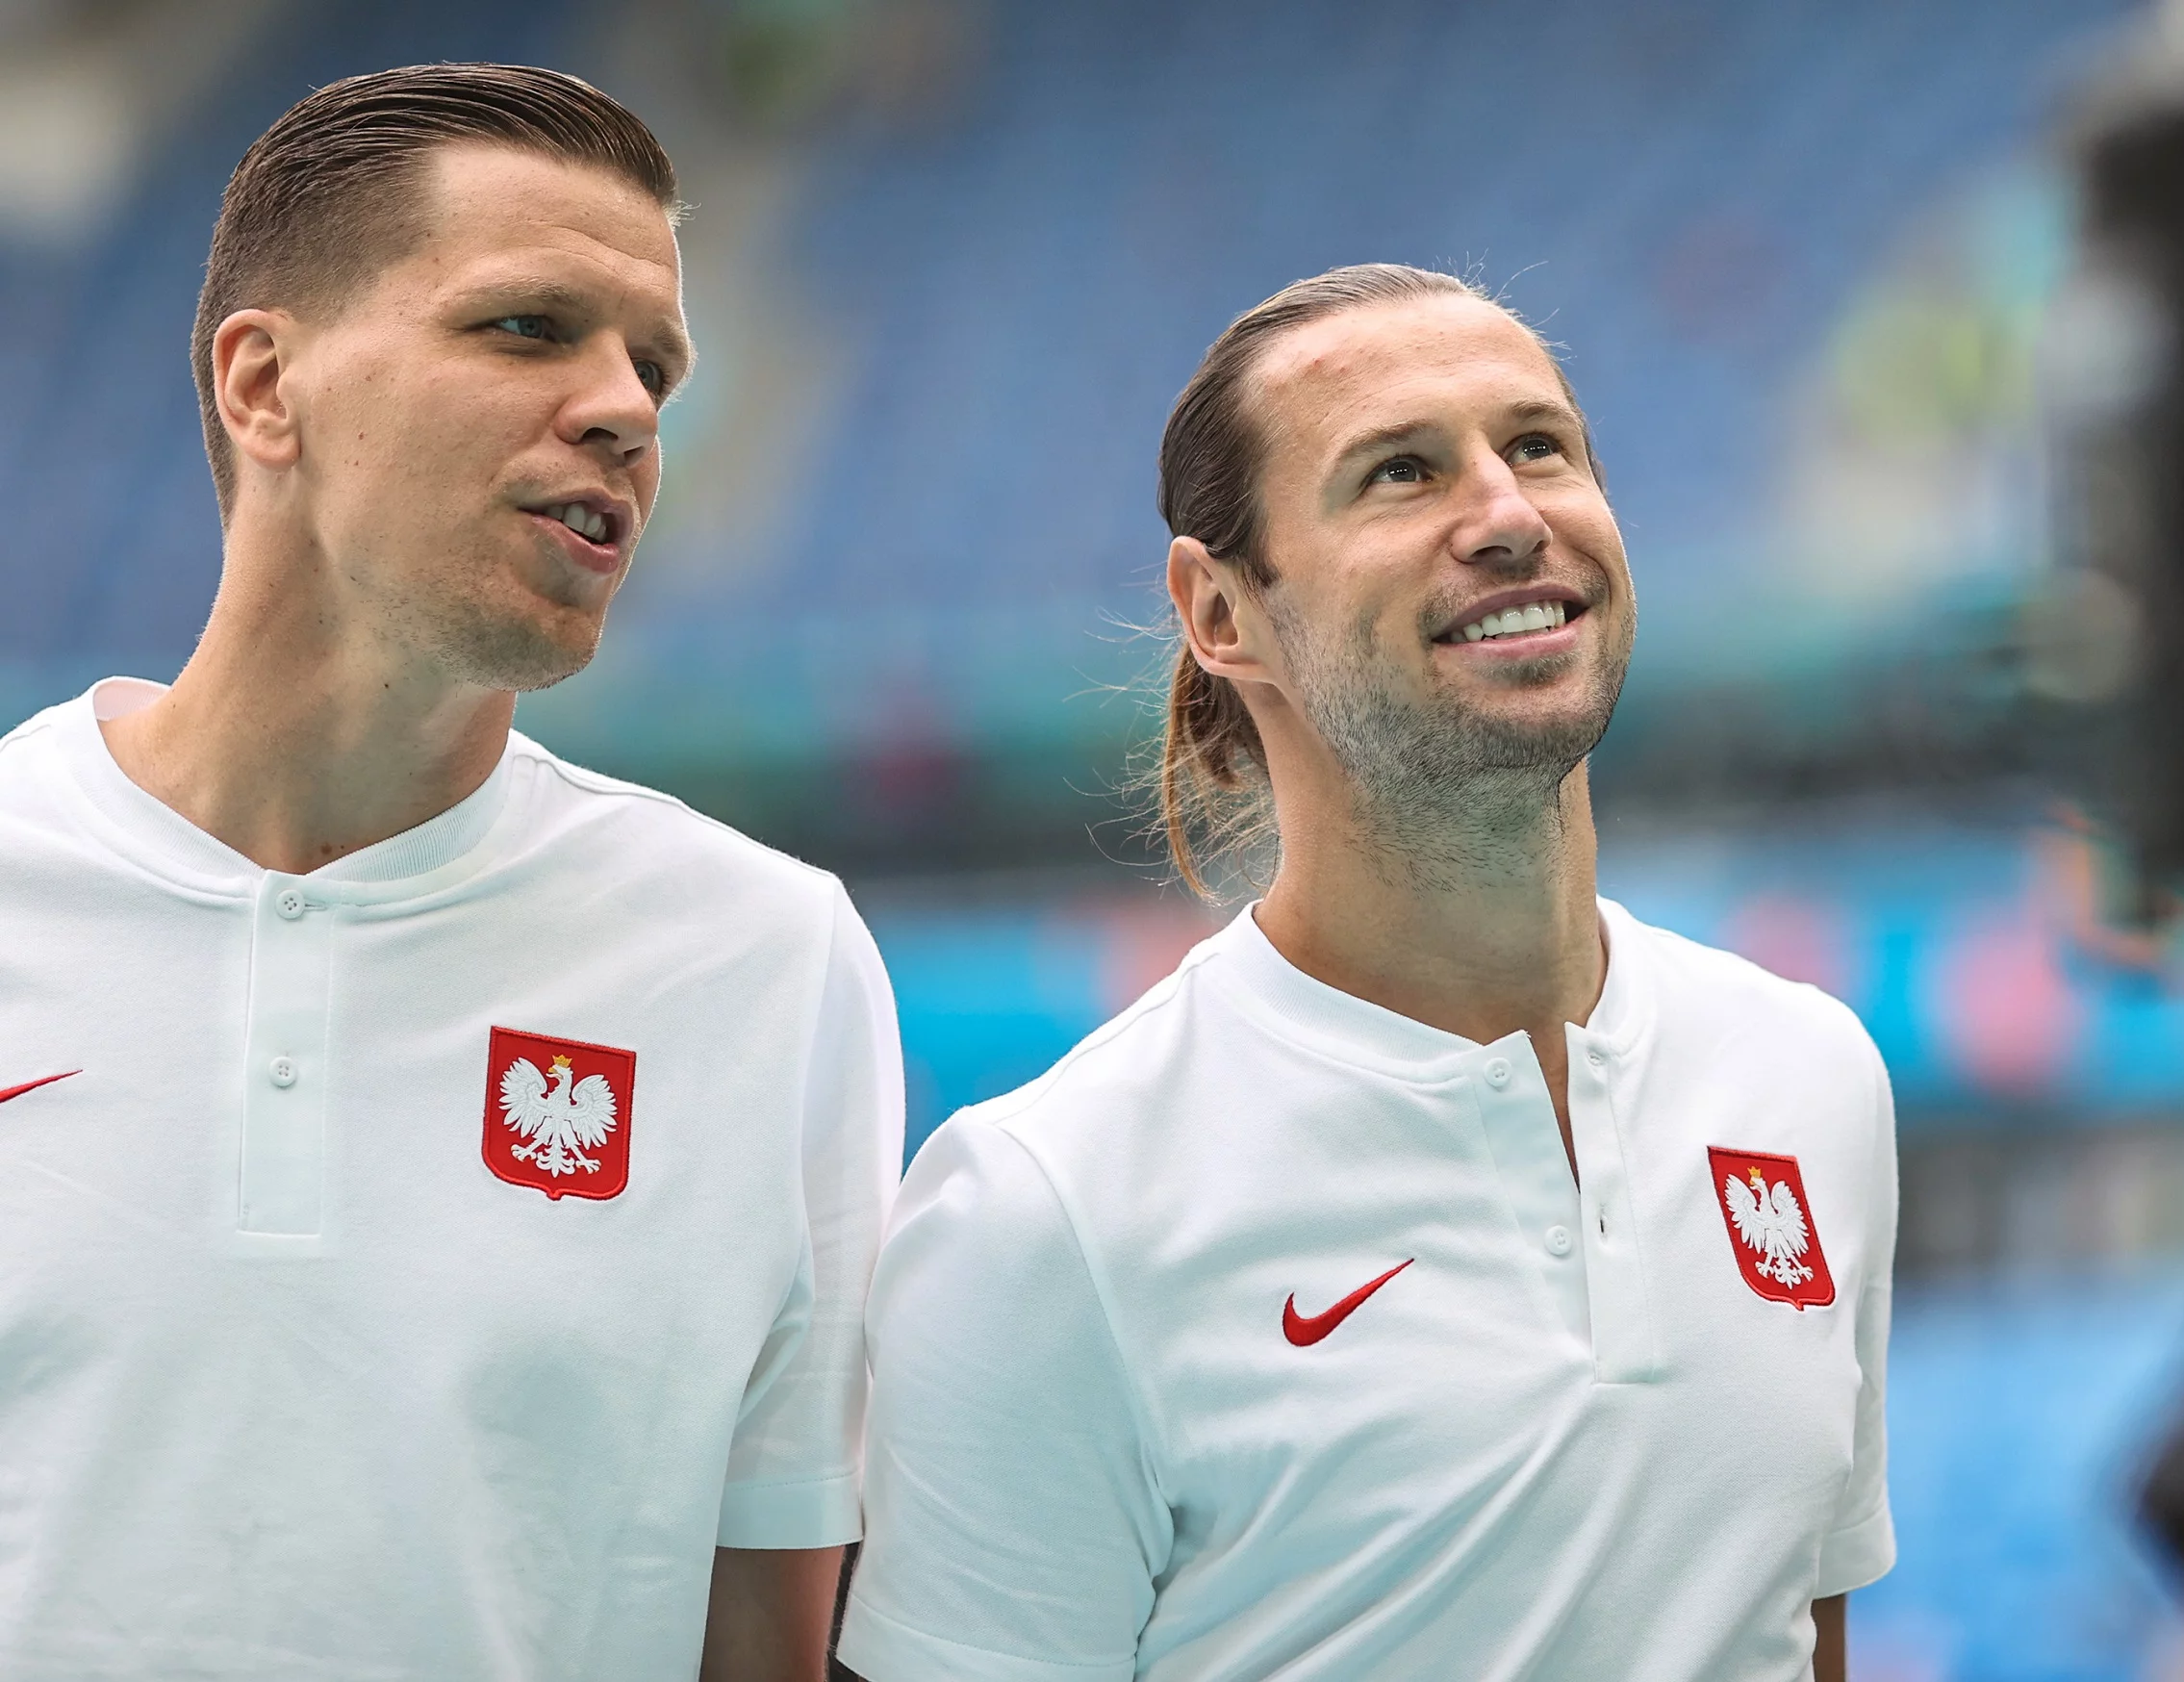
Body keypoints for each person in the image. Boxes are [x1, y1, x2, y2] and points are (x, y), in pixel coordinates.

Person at [836, 264, 1896, 1682]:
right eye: (1400, 473)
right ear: (1221, 613)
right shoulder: (1045, 1211)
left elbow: (1797, 1628)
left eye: (1540, 447)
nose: (1511, 514)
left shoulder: (1808, 1074)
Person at [0, 65, 901, 1680]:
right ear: (264, 386)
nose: (627, 408)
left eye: (657, 367)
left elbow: (761, 1640)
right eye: (526, 329)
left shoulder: (767, 960)